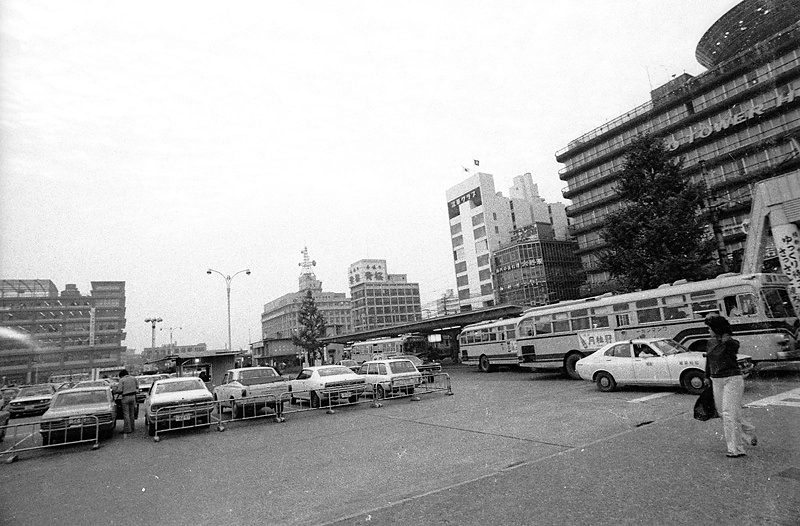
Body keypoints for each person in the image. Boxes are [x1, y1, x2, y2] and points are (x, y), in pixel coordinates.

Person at [703, 313, 756, 458]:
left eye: (710, 328)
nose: (708, 331)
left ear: (717, 329)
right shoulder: (710, 342)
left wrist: (726, 339)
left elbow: (734, 347)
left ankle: (735, 449)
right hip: (716, 380)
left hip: (732, 380)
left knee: (728, 414)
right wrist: (707, 376)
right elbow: (709, 361)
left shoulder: (731, 342)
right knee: (723, 413)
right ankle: (748, 431)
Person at [113, 369, 138, 435]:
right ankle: (132, 427)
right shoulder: (134, 378)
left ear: (121, 375)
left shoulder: (122, 380)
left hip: (125, 397)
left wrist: (115, 391)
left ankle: (127, 429)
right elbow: (137, 387)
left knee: (126, 414)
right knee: (132, 413)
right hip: (133, 396)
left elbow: (120, 390)